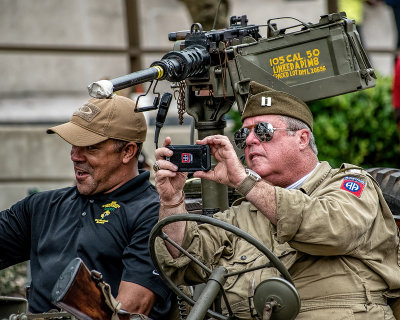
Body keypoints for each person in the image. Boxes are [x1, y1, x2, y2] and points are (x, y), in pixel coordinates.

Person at [153, 81, 400, 319]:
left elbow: (330, 228)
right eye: (243, 135)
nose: (249, 141)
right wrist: (172, 200)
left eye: (263, 131)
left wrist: (244, 181)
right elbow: (185, 258)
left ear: (302, 139)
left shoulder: (351, 185)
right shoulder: (243, 213)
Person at [0, 94, 171, 319]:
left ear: (128, 152)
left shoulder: (153, 213)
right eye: (73, 144)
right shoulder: (43, 206)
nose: (74, 156)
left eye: (90, 148)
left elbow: (129, 312)